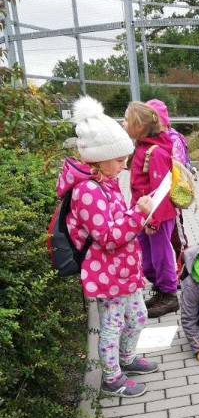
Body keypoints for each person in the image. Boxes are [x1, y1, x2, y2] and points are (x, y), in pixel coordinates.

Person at [57, 96, 157, 398]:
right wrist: (138, 214)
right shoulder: (87, 191)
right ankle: (111, 378)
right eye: (119, 160)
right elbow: (109, 236)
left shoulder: (106, 182)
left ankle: (126, 359)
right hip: (106, 273)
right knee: (113, 326)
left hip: (123, 268)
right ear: (99, 158)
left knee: (138, 316)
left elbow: (119, 221)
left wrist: (139, 219)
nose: (124, 166)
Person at [124, 101, 179, 319]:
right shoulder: (142, 148)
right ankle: (159, 289)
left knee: (161, 256)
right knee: (147, 258)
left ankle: (169, 294)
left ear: (139, 126)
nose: (123, 124)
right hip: (144, 215)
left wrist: (154, 220)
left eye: (127, 120)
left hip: (158, 216)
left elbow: (160, 190)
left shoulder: (155, 153)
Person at [145, 99, 196, 274]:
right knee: (164, 237)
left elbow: (175, 166)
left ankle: (185, 270)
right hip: (157, 199)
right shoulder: (153, 139)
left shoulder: (172, 139)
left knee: (177, 236)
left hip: (171, 198)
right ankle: (167, 270)